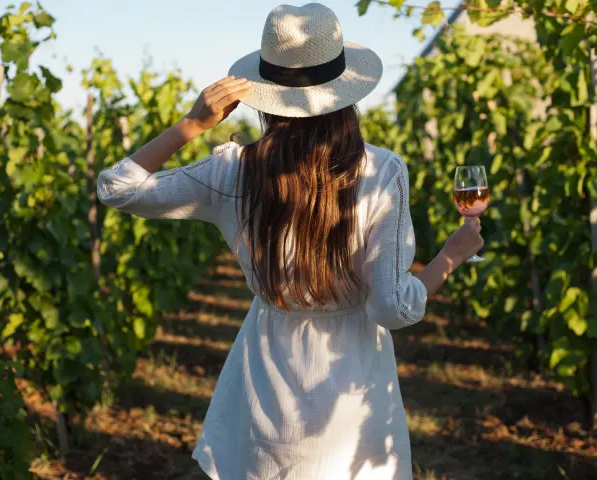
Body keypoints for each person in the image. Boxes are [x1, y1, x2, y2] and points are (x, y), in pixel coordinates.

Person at [97, 3, 483, 479]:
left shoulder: (231, 171)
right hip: (352, 392)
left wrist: (192, 124)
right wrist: (451, 255)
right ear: (346, 91)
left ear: (263, 93)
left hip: (268, 385)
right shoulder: (383, 173)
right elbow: (393, 309)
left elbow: (116, 188)